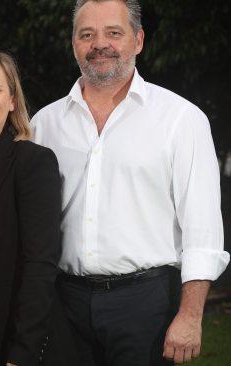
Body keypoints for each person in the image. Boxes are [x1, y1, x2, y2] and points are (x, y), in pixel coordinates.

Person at [31, 0, 229, 365]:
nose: (99, 44)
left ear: (138, 40)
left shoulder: (180, 119)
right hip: (64, 304)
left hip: (146, 305)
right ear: (73, 42)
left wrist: (190, 315)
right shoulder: (44, 124)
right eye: (86, 34)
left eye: (113, 33)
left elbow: (202, 228)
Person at [0, 49, 78, 366]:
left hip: (17, 336)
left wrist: (23, 352)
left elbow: (40, 264)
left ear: (12, 101)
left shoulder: (33, 162)